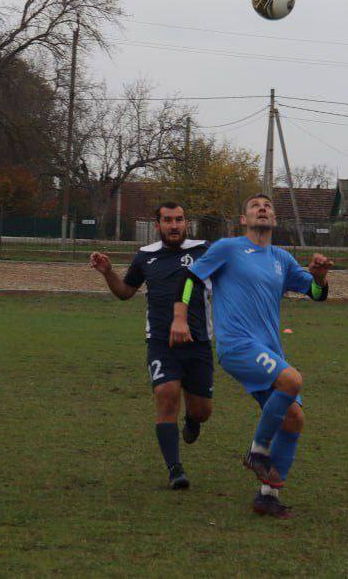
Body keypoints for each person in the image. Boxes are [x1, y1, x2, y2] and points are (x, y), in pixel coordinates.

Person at [181, 193, 332, 517]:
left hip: (268, 350)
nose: (262, 208)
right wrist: (180, 318)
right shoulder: (227, 248)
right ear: (243, 220)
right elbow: (190, 278)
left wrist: (320, 277)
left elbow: (316, 294)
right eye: (255, 206)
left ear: (274, 219)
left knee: (294, 418)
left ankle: (268, 497)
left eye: (268, 206)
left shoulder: (282, 259)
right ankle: (257, 451)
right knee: (292, 380)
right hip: (237, 345)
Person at [90, 202, 213, 490]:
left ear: (186, 223)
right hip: (160, 342)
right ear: (157, 225)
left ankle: (192, 419)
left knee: (202, 411)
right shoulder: (145, 256)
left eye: (179, 219)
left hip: (198, 342)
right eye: (168, 220)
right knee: (166, 395)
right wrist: (108, 273)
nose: (174, 225)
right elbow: (125, 292)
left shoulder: (204, 250)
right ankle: (175, 469)